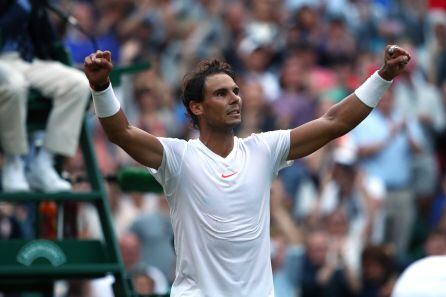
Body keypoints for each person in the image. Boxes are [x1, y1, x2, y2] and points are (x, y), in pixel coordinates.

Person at [84, 44, 410, 297]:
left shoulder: (264, 149)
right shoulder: (178, 156)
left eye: (236, 91)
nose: (234, 99)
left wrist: (382, 77)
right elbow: (121, 132)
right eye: (221, 93)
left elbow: (334, 122)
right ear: (196, 107)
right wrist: (101, 88)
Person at [0, 0, 90, 192]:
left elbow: (48, 41)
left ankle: (43, 164)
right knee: (15, 85)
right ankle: (14, 162)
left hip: (26, 60)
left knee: (78, 84)